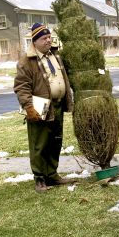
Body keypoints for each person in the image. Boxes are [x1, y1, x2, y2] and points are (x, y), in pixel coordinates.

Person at [14, 23, 75, 193]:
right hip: (39, 107)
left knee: (55, 141)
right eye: (44, 38)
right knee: (39, 144)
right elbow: (21, 86)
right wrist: (29, 107)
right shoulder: (27, 61)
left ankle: (52, 173)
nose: (49, 40)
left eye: (49, 37)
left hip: (58, 105)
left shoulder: (55, 54)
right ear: (35, 42)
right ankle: (40, 177)